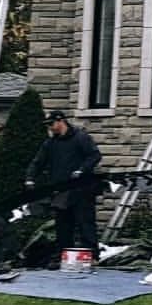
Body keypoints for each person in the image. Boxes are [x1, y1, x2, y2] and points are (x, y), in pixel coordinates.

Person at [25, 110, 103, 259]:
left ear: (61, 121)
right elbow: (38, 162)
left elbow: (95, 155)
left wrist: (81, 170)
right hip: (61, 190)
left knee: (85, 222)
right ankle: (63, 255)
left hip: (81, 189)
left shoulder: (80, 137)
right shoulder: (51, 143)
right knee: (63, 225)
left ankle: (92, 256)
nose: (50, 128)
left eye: (51, 124)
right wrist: (30, 177)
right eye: (47, 125)